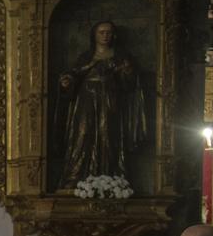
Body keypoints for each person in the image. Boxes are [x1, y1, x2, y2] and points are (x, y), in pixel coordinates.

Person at [57, 20, 147, 189]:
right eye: (101, 32)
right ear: (94, 35)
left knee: (108, 137)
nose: (105, 35)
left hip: (110, 101)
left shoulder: (121, 57)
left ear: (114, 35)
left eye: (108, 32)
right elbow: (74, 74)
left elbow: (130, 85)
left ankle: (111, 179)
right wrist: (67, 81)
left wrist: (127, 72)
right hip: (86, 101)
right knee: (82, 136)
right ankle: (77, 178)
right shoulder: (86, 57)